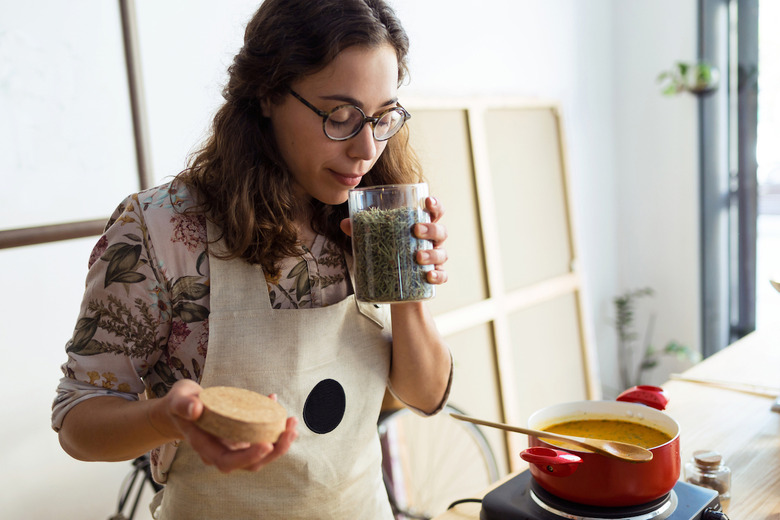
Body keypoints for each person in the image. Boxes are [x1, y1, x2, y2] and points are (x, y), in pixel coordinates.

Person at [51, 0, 452, 518]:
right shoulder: (161, 232)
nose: (365, 149)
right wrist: (169, 418)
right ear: (267, 93)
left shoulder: (373, 210)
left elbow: (425, 397)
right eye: (341, 116)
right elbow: (78, 422)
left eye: (382, 118)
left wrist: (410, 294)